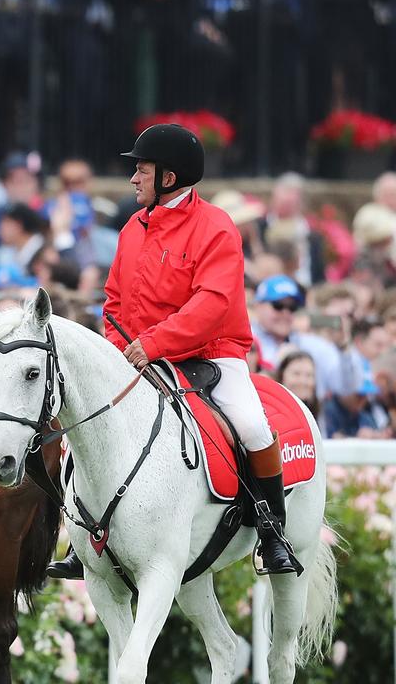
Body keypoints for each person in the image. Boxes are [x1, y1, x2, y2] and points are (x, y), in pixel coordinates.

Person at [50, 123, 298, 579]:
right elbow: (114, 300)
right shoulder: (132, 227)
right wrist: (120, 349)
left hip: (212, 352)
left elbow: (212, 304)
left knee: (251, 424)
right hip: (140, 354)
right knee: (85, 424)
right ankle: (78, 536)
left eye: (141, 170)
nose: (133, 179)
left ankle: (271, 530)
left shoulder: (217, 227)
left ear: (168, 177)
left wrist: (154, 344)